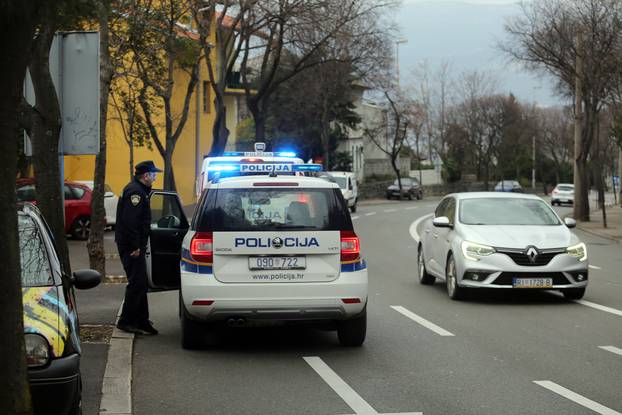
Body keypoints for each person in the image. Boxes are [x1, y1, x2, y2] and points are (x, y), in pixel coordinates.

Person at [115, 160, 162, 335]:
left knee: (141, 283)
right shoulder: (135, 193)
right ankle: (126, 321)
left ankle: (141, 321)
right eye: (154, 174)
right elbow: (130, 222)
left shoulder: (139, 190)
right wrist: (135, 246)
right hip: (130, 246)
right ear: (146, 175)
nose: (155, 177)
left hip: (134, 245)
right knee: (137, 283)